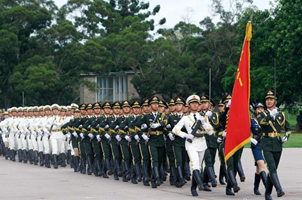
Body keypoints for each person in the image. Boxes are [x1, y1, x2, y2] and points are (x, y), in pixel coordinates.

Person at [173, 95, 214, 196]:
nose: (195, 105)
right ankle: (200, 184)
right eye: (192, 103)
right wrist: (186, 135)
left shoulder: (203, 117)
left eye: (196, 103)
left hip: (202, 143)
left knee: (199, 166)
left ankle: (193, 187)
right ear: (189, 105)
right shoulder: (186, 118)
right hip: (191, 144)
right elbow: (175, 130)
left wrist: (204, 123)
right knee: (195, 164)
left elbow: (210, 132)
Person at [257, 90, 291, 200]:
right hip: (266, 143)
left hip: (277, 143)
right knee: (271, 168)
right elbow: (261, 123)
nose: (269, 101)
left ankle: (267, 193)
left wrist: (287, 135)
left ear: (275, 101)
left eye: (271, 99)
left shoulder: (281, 114)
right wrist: (270, 116)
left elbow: (288, 127)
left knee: (273, 170)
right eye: (267, 99)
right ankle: (279, 189)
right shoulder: (262, 114)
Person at [250, 102, 267, 195]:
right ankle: (267, 188)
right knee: (261, 165)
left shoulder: (267, 119)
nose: (260, 110)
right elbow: (244, 131)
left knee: (258, 168)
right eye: (258, 108)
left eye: (261, 108)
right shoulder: (252, 120)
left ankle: (255, 187)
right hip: (256, 145)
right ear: (255, 110)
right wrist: (251, 139)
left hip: (265, 144)